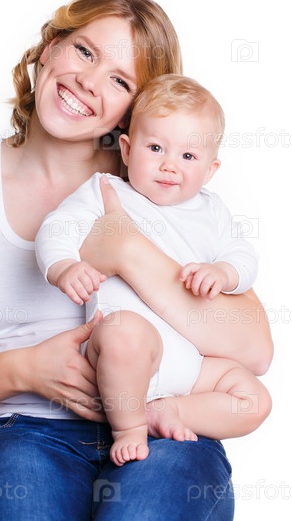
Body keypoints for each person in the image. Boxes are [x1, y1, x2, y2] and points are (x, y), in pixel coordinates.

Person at [0, 0, 273, 521]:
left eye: (121, 81)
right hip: (24, 433)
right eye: (84, 52)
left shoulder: (158, 178)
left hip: (167, 428)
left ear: (137, 109)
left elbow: (255, 350)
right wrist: (23, 370)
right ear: (50, 48)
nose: (89, 82)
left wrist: (126, 249)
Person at [36, 74, 272, 467]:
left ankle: (169, 411)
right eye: (156, 148)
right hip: (123, 352)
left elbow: (245, 257)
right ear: (127, 150)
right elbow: (58, 227)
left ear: (210, 169)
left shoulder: (212, 211)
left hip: (190, 364)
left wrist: (224, 273)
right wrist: (63, 267)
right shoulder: (107, 191)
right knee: (124, 331)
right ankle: (129, 429)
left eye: (188, 157)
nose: (169, 166)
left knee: (255, 400)